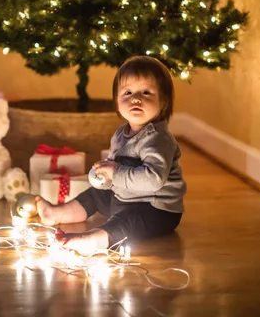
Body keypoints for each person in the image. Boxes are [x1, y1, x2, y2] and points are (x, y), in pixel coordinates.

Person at [36, 55, 187, 256]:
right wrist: (104, 177)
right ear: (117, 100)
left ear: (163, 101)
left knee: (127, 221)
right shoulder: (120, 134)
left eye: (146, 92)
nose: (136, 98)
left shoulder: (157, 138)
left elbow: (153, 180)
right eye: (128, 92)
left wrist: (115, 172)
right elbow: (115, 173)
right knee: (96, 194)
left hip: (155, 209)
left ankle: (95, 239)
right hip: (124, 198)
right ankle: (56, 213)